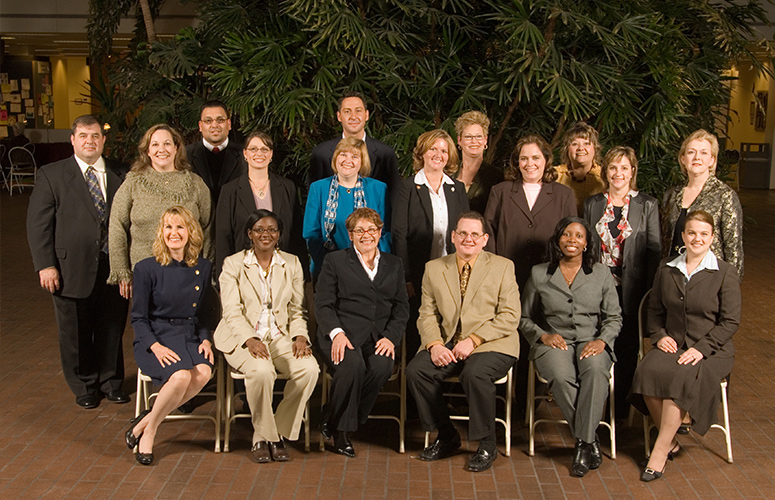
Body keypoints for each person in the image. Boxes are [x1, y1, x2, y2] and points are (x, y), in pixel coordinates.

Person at [26, 115, 129, 409]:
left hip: (113, 267)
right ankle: (84, 384)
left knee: (112, 326)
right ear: (73, 140)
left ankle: (111, 381)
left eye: (95, 136)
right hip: (69, 268)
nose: (90, 141)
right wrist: (45, 265)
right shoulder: (52, 174)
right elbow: (38, 225)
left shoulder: (121, 172)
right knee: (76, 332)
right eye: (83, 136)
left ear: (103, 140)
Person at [630, 210, 740, 482]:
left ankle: (659, 451)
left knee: (679, 377)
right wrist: (659, 335)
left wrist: (701, 349)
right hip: (673, 344)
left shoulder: (724, 272)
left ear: (712, 238)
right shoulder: (667, 268)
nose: (697, 238)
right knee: (647, 371)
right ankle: (672, 442)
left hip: (712, 350)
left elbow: (730, 322)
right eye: (692, 233)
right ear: (683, 236)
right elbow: (654, 311)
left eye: (704, 234)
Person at [406, 212, 520, 473]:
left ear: (484, 240)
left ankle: (487, 444)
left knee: (475, 373)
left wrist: (474, 340)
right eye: (463, 234)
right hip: (448, 341)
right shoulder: (434, 268)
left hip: (492, 342)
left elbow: (510, 316)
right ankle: (447, 435)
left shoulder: (503, 266)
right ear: (453, 237)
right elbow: (427, 314)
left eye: (475, 234)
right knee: (417, 370)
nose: (469, 239)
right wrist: (434, 344)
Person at [519, 217, 622, 477]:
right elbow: (523, 317)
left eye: (578, 236)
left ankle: (582, 443)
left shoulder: (600, 273)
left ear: (587, 243)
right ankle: (589, 440)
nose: (572, 240)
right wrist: (542, 336)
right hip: (555, 340)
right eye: (566, 234)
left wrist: (602, 340)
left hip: (592, 340)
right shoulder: (539, 273)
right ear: (558, 239)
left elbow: (614, 317)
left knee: (596, 372)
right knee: (561, 377)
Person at [214, 210, 319, 463]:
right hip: (242, 336)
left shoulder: (292, 263)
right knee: (262, 371)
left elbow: (297, 309)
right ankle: (263, 438)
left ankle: (273, 432)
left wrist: (300, 337)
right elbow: (231, 312)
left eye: (272, 229)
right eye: (259, 229)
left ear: (279, 235)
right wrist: (250, 339)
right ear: (250, 234)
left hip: (280, 335)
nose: (266, 234)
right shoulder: (233, 264)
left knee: (309, 369)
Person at [484, 134, 576, 413]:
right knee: (508, 334)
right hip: (508, 277)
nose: (529, 163)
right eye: (524, 158)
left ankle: (531, 405)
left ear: (546, 160)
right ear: (516, 162)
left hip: (548, 280)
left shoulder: (563, 194)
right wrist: (497, 273)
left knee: (540, 333)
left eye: (536, 157)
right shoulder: (501, 191)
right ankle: (505, 404)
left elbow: (570, 238)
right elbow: (489, 233)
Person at [124, 206, 218, 466]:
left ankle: (143, 420)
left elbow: (205, 313)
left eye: (180, 227)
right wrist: (155, 346)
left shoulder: (202, 266)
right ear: (161, 232)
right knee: (180, 377)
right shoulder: (146, 269)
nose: (173, 233)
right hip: (156, 337)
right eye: (168, 227)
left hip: (188, 335)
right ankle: (150, 431)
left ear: (190, 232)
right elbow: (138, 318)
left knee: (204, 373)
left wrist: (206, 338)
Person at [315, 208, 409, 457]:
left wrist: (390, 337)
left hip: (379, 337)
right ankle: (342, 434)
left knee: (381, 367)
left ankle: (332, 415)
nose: (366, 235)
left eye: (371, 230)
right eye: (359, 230)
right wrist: (336, 333)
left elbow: (401, 308)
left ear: (379, 233)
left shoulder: (394, 264)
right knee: (353, 365)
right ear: (351, 234)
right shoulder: (335, 261)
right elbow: (323, 303)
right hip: (340, 334)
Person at [583, 146, 661, 419]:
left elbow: (654, 251)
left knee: (627, 351)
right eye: (613, 167)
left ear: (632, 172)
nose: (618, 173)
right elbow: (585, 248)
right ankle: (594, 409)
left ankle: (618, 415)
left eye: (624, 168)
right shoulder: (593, 204)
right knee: (596, 345)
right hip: (598, 288)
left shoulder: (647, 204)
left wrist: (649, 293)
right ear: (605, 171)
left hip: (631, 291)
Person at [108, 124, 212, 299]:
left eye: (167, 144)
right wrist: (121, 270)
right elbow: (117, 225)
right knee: (147, 324)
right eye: (155, 144)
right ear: (147, 151)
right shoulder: (133, 182)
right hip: (144, 275)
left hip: (188, 273)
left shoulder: (195, 184)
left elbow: (208, 228)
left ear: (176, 148)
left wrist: (208, 270)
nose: (161, 149)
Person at [392, 129, 469, 356]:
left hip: (452, 269)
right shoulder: (408, 187)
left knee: (451, 321)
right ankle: (417, 374)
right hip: (419, 271)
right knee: (420, 323)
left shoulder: (457, 188)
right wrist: (406, 277)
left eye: (444, 150)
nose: (438, 154)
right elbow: (399, 233)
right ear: (422, 152)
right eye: (433, 148)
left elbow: (465, 232)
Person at [215, 131, 307, 280]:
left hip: (282, 274)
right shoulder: (230, 190)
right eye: (253, 149)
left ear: (271, 154)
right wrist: (224, 280)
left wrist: (303, 278)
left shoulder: (287, 187)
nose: (259, 153)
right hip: (243, 273)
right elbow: (223, 238)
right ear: (245, 154)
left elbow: (296, 235)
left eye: (264, 149)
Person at [662, 129, 743, 280]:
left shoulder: (725, 196)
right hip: (674, 275)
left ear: (712, 160)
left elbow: (734, 251)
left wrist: (729, 287)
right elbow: (664, 242)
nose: (697, 157)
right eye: (691, 152)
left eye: (704, 153)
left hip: (709, 279)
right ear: (683, 158)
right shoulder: (672, 194)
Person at [304, 137, 390, 278]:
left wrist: (377, 265)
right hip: (328, 268)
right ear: (335, 157)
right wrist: (329, 265)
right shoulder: (318, 188)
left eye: (354, 156)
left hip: (370, 269)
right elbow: (311, 233)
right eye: (343, 154)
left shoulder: (378, 188)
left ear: (362, 161)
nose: (347, 160)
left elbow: (385, 233)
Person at [308, 91, 400, 197]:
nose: (353, 116)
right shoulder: (321, 153)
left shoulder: (385, 153)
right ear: (339, 116)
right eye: (347, 111)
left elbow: (394, 197)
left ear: (366, 115)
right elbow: (314, 196)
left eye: (358, 111)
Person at [186, 100, 246, 206]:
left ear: (229, 124)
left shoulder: (246, 155)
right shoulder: (185, 155)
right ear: (200, 126)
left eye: (220, 120)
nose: (215, 125)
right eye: (208, 121)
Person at [453, 111, 503, 214]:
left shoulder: (497, 177)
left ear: (485, 140)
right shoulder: (448, 172)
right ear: (459, 140)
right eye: (468, 137)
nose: (474, 141)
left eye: (478, 136)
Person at [555, 122, 605, 214]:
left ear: (595, 148)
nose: (581, 148)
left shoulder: (604, 177)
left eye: (586, 143)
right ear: (567, 149)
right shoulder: (555, 175)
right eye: (574, 144)